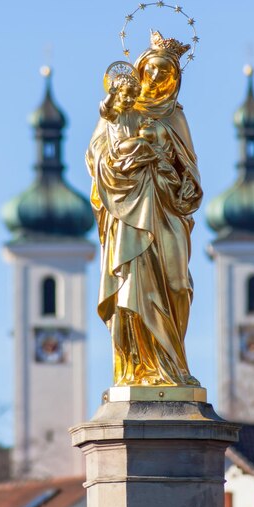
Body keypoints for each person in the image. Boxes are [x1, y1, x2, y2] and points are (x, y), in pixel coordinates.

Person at [87, 31, 203, 386]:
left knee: (177, 286)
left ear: (175, 80)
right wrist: (128, 158)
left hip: (167, 213)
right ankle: (139, 369)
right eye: (151, 69)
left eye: (164, 73)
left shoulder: (176, 118)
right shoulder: (120, 110)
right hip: (128, 213)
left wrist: (180, 182)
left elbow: (192, 177)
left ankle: (174, 365)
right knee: (133, 289)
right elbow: (97, 158)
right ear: (140, 69)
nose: (155, 77)